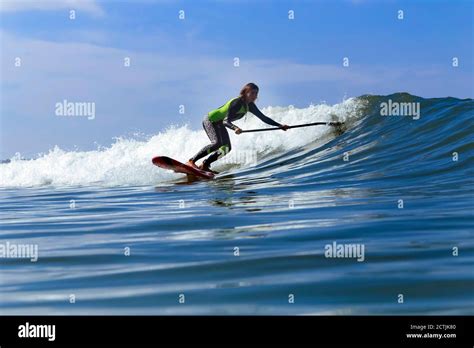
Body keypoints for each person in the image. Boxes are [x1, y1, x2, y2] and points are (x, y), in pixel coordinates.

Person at [187, 83, 289, 173]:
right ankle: (191, 161)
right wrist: (235, 128)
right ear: (245, 92)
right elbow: (226, 121)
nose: (255, 96)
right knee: (217, 143)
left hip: (220, 124)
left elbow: (264, 118)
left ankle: (205, 164)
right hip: (210, 120)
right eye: (252, 93)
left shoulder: (251, 106)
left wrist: (279, 125)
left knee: (226, 148)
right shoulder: (237, 102)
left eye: (256, 93)